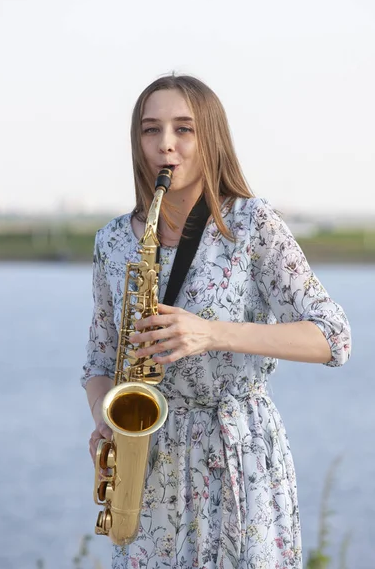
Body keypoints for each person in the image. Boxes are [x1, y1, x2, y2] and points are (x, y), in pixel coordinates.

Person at [81, 74, 351, 569]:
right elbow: (99, 359)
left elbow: (333, 337)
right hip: (150, 464)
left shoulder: (254, 225)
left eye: (183, 129)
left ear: (211, 138)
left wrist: (211, 333)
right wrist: (105, 415)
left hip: (238, 453)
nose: (165, 144)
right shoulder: (114, 241)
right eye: (150, 129)